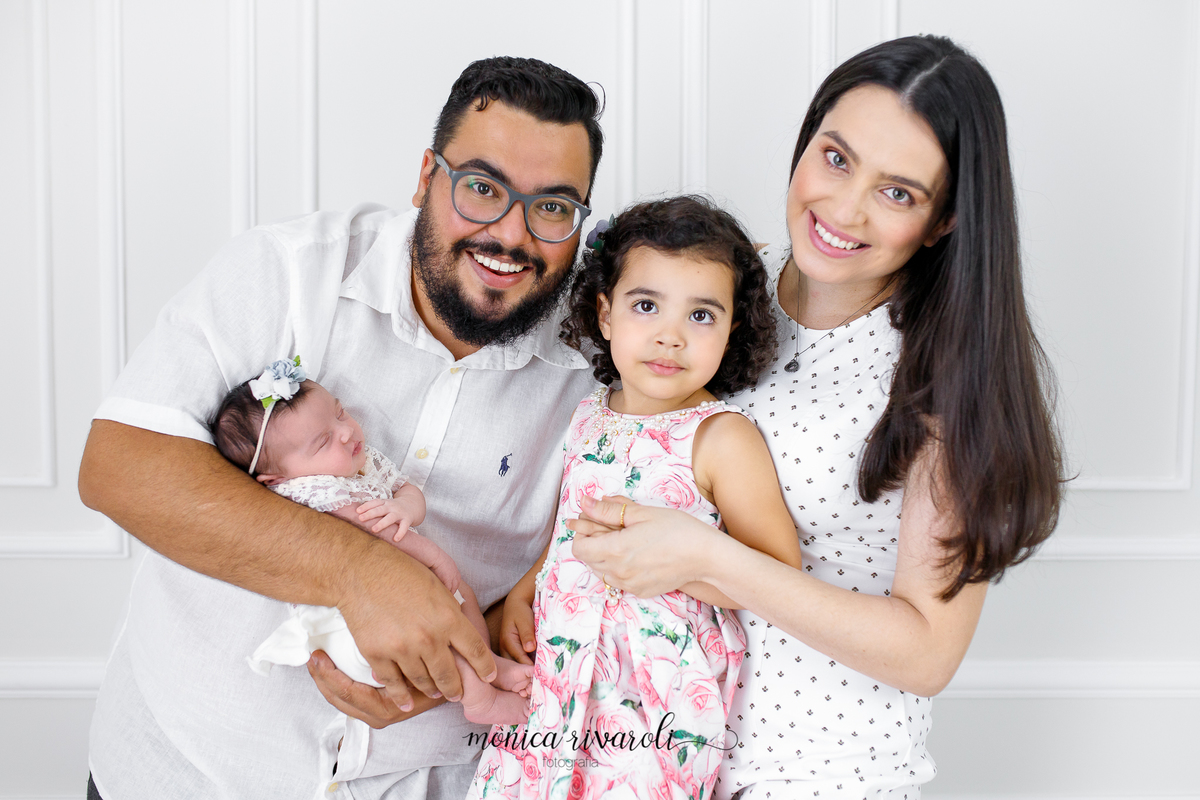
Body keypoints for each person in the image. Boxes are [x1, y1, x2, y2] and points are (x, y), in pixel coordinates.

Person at [78, 56, 603, 800]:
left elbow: (595, 556)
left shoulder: (608, 361)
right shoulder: (287, 271)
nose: (510, 233)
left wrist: (456, 647)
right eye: (481, 188)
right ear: (426, 177)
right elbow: (118, 466)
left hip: (427, 777)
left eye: (552, 206)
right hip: (184, 771)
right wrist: (362, 574)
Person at [567, 35, 1064, 798]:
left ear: (942, 223)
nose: (843, 208)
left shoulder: (942, 378)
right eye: (836, 158)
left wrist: (711, 559)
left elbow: (928, 653)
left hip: (818, 772)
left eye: (898, 193)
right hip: (649, 758)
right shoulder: (710, 297)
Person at [469, 196, 804, 800]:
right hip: (562, 666)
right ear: (605, 312)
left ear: (733, 330)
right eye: (645, 306)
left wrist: (681, 569)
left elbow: (778, 575)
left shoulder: (720, 437)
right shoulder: (589, 415)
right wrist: (524, 593)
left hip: (657, 686)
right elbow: (567, 533)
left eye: (702, 316)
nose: (669, 336)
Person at [210, 361, 532, 725]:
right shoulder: (308, 490)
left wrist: (403, 509)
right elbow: (378, 535)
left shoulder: (360, 462)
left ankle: (490, 666)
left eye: (339, 414)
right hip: (352, 626)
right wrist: (435, 555)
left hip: (406, 586)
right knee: (431, 631)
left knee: (465, 601)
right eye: (322, 441)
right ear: (275, 479)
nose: (345, 433)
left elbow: (408, 491)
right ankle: (480, 700)